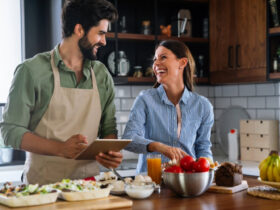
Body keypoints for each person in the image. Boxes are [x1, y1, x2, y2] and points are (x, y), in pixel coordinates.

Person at [0, 0, 123, 185]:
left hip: (90, 188)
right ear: (79, 30)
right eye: (100, 33)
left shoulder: (101, 75)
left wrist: (110, 153)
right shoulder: (32, 71)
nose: (104, 41)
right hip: (42, 189)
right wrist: (60, 148)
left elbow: (108, 129)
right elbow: (10, 131)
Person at [123, 40, 214, 173]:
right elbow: (129, 139)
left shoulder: (203, 106)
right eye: (155, 59)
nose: (156, 64)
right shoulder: (145, 100)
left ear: (182, 63)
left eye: (163, 57)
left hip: (187, 180)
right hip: (151, 182)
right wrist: (158, 147)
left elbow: (203, 147)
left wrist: (207, 171)